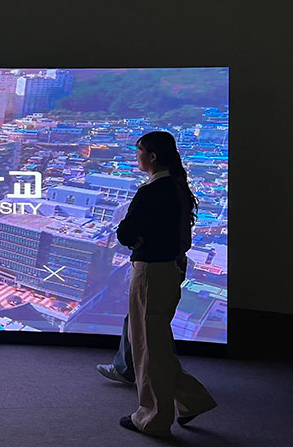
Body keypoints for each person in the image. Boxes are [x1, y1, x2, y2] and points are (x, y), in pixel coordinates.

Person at [114, 131, 217, 437]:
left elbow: (125, 233)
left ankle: (154, 418)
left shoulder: (151, 191)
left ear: (152, 156)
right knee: (155, 341)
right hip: (170, 269)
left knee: (148, 346)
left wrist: (136, 240)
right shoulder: (177, 186)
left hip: (150, 271)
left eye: (139, 151)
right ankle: (192, 400)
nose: (137, 157)